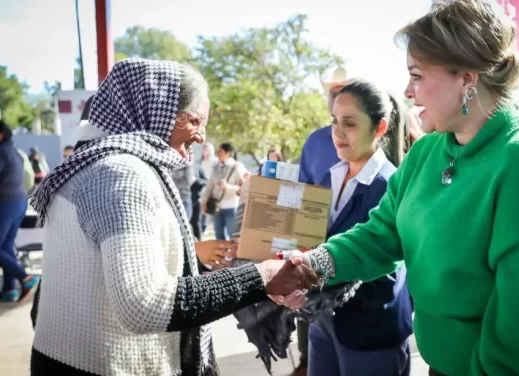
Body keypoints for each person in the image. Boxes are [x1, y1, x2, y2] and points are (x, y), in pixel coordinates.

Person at [280, 1, 519, 375]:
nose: (408, 91)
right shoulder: (427, 151)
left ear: (467, 78)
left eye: (417, 75)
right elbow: (383, 233)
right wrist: (313, 265)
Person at [28, 58, 319, 376]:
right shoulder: (120, 174)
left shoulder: (93, 166)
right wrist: (260, 277)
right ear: (154, 110)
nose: (201, 137)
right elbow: (144, 305)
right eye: (195, 121)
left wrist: (209, 270)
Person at [306, 79, 413, 376]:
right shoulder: (330, 177)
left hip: (371, 331)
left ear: (379, 128)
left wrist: (316, 268)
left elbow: (385, 266)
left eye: (349, 123)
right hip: (324, 322)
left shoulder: (393, 185)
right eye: (334, 121)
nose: (337, 132)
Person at [292, 67, 351, 376]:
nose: (337, 96)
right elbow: (302, 191)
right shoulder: (314, 141)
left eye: (344, 89)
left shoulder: (375, 137)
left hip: (360, 257)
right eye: (332, 91)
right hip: (315, 247)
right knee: (314, 328)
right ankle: (304, 361)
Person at [0, 120, 40, 303]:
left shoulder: (1, 152)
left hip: (5, 203)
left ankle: (25, 278)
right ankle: (9, 290)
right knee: (6, 247)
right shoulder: (15, 152)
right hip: (19, 202)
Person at [201, 142, 247, 241]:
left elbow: (242, 188)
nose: (218, 154)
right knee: (218, 236)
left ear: (228, 153)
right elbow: (209, 186)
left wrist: (227, 187)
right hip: (217, 207)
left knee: (233, 237)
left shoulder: (237, 167)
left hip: (231, 207)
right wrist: (204, 202)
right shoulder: (216, 167)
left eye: (220, 151)